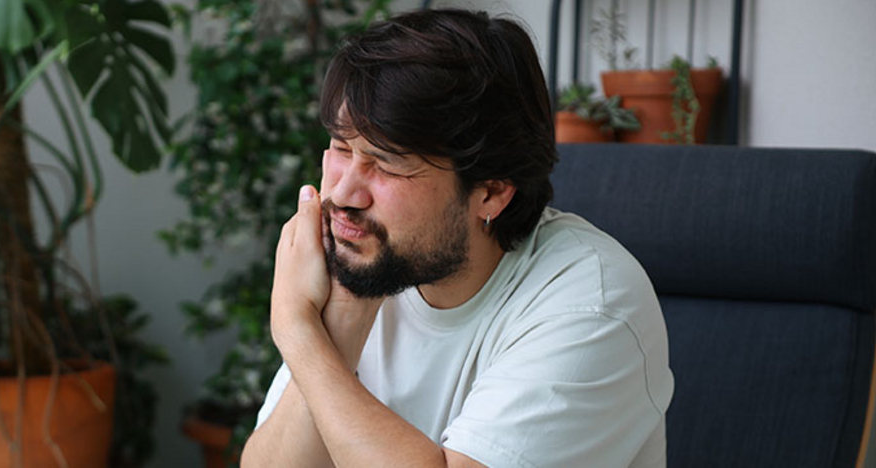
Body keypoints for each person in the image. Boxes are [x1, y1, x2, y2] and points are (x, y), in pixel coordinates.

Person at [239, 8, 673, 468]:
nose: (344, 193)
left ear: (491, 192)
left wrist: (299, 332)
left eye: (387, 163)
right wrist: (340, 329)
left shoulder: (591, 303)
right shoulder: (372, 265)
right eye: (342, 148)